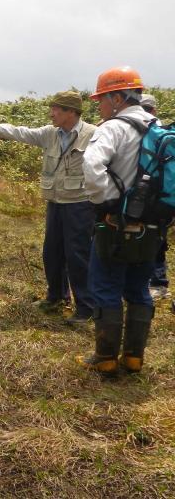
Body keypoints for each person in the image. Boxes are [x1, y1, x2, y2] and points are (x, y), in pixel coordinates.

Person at [0, 91, 97, 324]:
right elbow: (19, 132)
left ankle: (86, 307)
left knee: (78, 255)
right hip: (55, 202)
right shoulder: (49, 134)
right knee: (52, 252)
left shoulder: (93, 135)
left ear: (71, 112)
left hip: (80, 205)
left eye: (56, 109)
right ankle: (56, 297)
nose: (51, 113)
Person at [78, 66, 157, 375]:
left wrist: (100, 202)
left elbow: (91, 164)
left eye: (101, 99)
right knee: (139, 289)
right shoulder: (158, 125)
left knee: (105, 287)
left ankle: (106, 358)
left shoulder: (113, 127)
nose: (99, 106)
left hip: (116, 224)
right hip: (152, 227)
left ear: (116, 97)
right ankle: (134, 358)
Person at [139, 93, 170, 301]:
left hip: (144, 193)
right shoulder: (165, 131)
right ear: (155, 110)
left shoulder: (143, 130)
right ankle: (158, 283)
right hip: (164, 195)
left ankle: (153, 282)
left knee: (144, 237)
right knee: (158, 237)